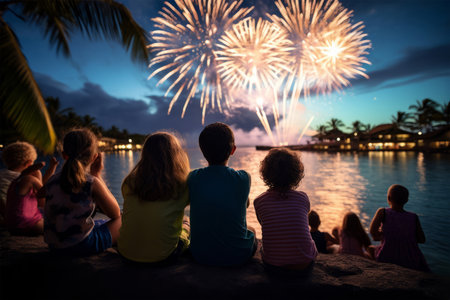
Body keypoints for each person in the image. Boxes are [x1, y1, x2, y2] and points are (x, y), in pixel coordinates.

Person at [188, 122, 256, 266]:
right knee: (252, 231)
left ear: (202, 151)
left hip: (200, 255)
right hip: (238, 256)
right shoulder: (244, 178)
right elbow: (246, 203)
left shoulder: (193, 177)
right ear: (233, 150)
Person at [43, 129, 121, 256]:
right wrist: (96, 174)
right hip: (81, 245)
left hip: (54, 246)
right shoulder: (91, 182)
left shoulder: (52, 180)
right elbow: (115, 213)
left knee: (97, 223)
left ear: (64, 155)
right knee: (122, 219)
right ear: (94, 157)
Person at [118, 132, 191, 264]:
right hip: (164, 257)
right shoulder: (182, 185)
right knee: (187, 222)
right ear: (176, 155)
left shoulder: (130, 182)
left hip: (125, 252)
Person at [254, 148, 317, 273]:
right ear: (297, 173)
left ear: (266, 173)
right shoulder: (303, 198)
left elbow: (265, 224)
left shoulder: (259, 201)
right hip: (304, 265)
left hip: (273, 266)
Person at [369, 184, 429, 271]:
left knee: (370, 248)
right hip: (411, 260)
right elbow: (422, 240)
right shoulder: (413, 217)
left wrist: (384, 235)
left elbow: (373, 232)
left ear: (388, 198)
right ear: (406, 200)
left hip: (387, 257)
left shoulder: (383, 212)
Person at [6, 156, 58, 236]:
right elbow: (45, 192)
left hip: (12, 225)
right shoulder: (30, 179)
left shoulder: (15, 182)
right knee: (58, 226)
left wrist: (52, 167)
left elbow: (42, 187)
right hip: (27, 223)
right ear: (29, 163)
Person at [0, 142, 37, 225]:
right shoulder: (24, 179)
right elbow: (39, 195)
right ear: (29, 163)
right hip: (14, 216)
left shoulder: (1, 173)